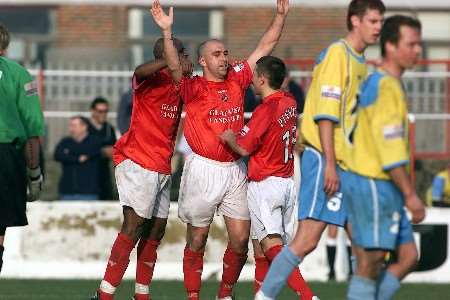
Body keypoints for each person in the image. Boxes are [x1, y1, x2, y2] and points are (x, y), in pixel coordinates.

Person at [151, 0, 289, 299]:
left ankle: (225, 294)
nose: (224, 58)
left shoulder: (238, 78)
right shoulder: (194, 86)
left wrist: (279, 16)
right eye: (216, 54)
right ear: (203, 61)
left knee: (240, 240)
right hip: (203, 169)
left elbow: (267, 44)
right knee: (197, 239)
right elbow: (174, 66)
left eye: (225, 53)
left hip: (235, 169)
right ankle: (193, 295)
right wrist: (167, 31)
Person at [256, 1, 385, 299]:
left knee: (363, 244)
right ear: (355, 21)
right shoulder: (338, 55)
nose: (379, 26)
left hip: (347, 165)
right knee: (306, 240)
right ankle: (264, 297)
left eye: (381, 21)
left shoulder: (360, 60)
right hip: (324, 159)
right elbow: (325, 115)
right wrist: (329, 163)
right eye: (373, 20)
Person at [90, 36, 193, 300]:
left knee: (156, 230)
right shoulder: (150, 79)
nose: (185, 57)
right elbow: (138, 72)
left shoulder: (181, 84)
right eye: (182, 53)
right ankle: (104, 295)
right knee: (133, 226)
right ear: (168, 55)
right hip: (138, 161)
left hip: (161, 164)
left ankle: (141, 294)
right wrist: (170, 62)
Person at [342, 15, 426, 300]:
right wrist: (411, 195)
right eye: (411, 44)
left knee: (408, 256)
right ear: (390, 46)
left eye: (420, 44)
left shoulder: (381, 81)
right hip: (373, 183)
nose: (418, 50)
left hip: (377, 184)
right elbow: (389, 151)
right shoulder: (386, 86)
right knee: (370, 261)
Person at [220, 56, 317, 300]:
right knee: (262, 252)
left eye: (254, 77)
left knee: (273, 248)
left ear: (262, 80)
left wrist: (230, 137)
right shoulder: (289, 101)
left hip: (266, 184)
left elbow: (243, 147)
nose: (251, 81)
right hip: (286, 182)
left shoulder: (265, 109)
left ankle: (308, 296)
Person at [0, 23, 45, 273]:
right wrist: (34, 173)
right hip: (5, 154)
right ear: (5, 47)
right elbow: (32, 130)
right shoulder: (18, 74)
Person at [54, 116, 102, 200]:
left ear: (84, 127)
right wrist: (77, 158)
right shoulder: (65, 142)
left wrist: (69, 154)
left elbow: (90, 152)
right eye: (70, 126)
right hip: (67, 192)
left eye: (74, 126)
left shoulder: (94, 141)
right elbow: (57, 155)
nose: (71, 129)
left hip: (88, 193)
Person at [88, 97, 117, 200]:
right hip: (88, 173)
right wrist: (102, 151)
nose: (103, 114)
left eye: (105, 111)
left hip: (104, 173)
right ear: (92, 111)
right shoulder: (85, 127)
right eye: (100, 111)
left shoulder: (109, 129)